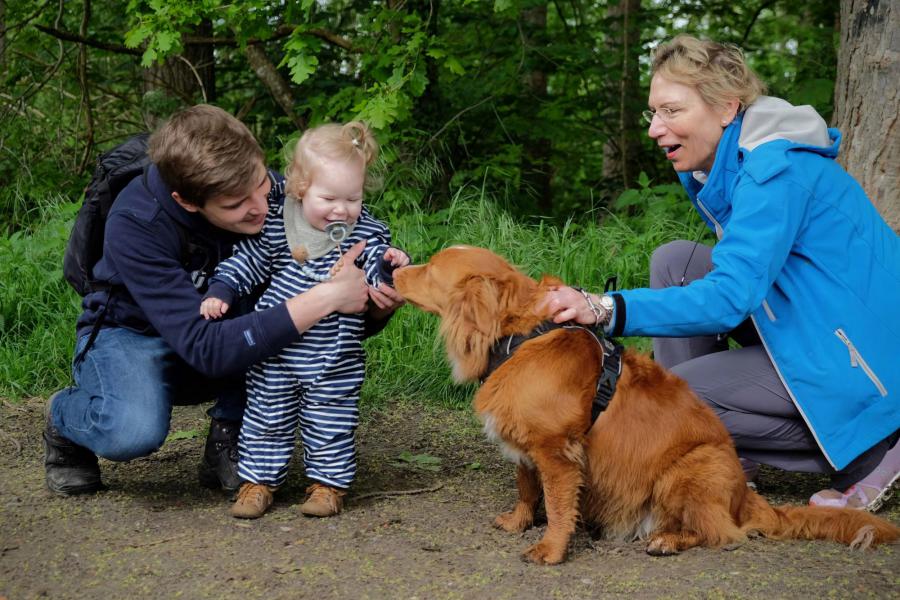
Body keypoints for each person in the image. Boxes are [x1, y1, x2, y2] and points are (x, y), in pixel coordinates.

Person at [543, 35, 900, 512]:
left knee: (669, 400)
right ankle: (690, 451)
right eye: (653, 113)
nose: (655, 129)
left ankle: (871, 449)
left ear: (727, 108)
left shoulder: (775, 170)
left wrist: (605, 307)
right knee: (675, 261)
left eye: (672, 111)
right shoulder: (719, 166)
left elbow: (732, 296)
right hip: (811, 321)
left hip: (860, 362)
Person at [44, 105, 403, 497]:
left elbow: (324, 311)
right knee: (132, 431)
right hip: (134, 333)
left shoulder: (284, 194)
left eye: (262, 185)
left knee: (274, 319)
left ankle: (229, 438)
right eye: (235, 204)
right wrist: (328, 295)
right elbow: (205, 348)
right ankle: (65, 420)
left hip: (231, 329)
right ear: (187, 201)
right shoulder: (135, 223)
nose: (263, 209)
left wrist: (374, 306)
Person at [200, 121, 409, 519]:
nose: (341, 209)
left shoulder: (364, 232)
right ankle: (257, 483)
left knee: (331, 422)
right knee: (265, 417)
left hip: (334, 357)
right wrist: (221, 291)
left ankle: (327, 486)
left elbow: (378, 265)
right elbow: (247, 262)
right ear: (300, 189)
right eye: (329, 197)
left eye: (353, 198)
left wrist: (390, 266)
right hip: (275, 354)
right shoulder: (281, 226)